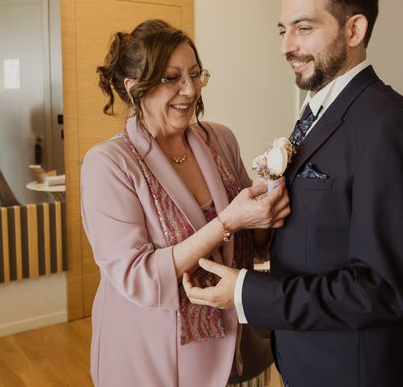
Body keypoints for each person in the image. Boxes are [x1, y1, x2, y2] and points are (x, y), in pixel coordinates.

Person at [184, 0, 403, 387]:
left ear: (354, 30)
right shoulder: (317, 114)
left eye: (304, 29)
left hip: (360, 371)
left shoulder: (391, 127)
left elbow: (383, 289)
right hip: (312, 359)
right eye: (283, 31)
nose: (287, 46)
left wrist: (246, 292)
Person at [80, 20, 291, 386]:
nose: (189, 89)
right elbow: (138, 275)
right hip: (153, 357)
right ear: (133, 89)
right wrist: (227, 221)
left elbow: (253, 247)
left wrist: (266, 213)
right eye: (171, 77)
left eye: (195, 74)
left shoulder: (220, 140)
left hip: (237, 346)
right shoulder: (109, 165)